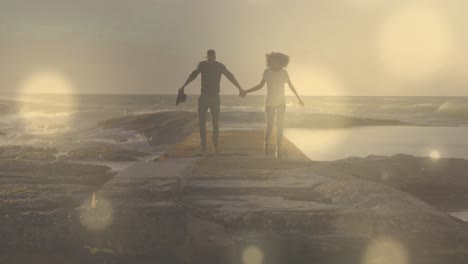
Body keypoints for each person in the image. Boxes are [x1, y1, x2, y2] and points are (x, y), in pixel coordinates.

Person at [179, 49, 244, 156]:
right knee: (202, 123)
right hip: (204, 97)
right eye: (208, 57)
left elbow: (230, 76)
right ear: (206, 57)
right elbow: (193, 75)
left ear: (215, 57)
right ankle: (203, 148)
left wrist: (240, 88)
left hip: (215, 98)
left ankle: (216, 148)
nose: (210, 59)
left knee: (215, 123)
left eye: (212, 57)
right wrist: (183, 86)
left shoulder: (220, 66)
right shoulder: (202, 65)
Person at [241, 52, 304, 157]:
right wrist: (247, 91)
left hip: (281, 102)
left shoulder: (284, 73)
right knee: (270, 126)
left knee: (280, 126)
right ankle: (266, 144)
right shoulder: (267, 72)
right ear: (270, 60)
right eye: (273, 59)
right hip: (270, 102)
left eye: (277, 60)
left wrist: (298, 98)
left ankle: (278, 149)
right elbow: (260, 86)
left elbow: (291, 86)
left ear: (281, 61)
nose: (275, 61)